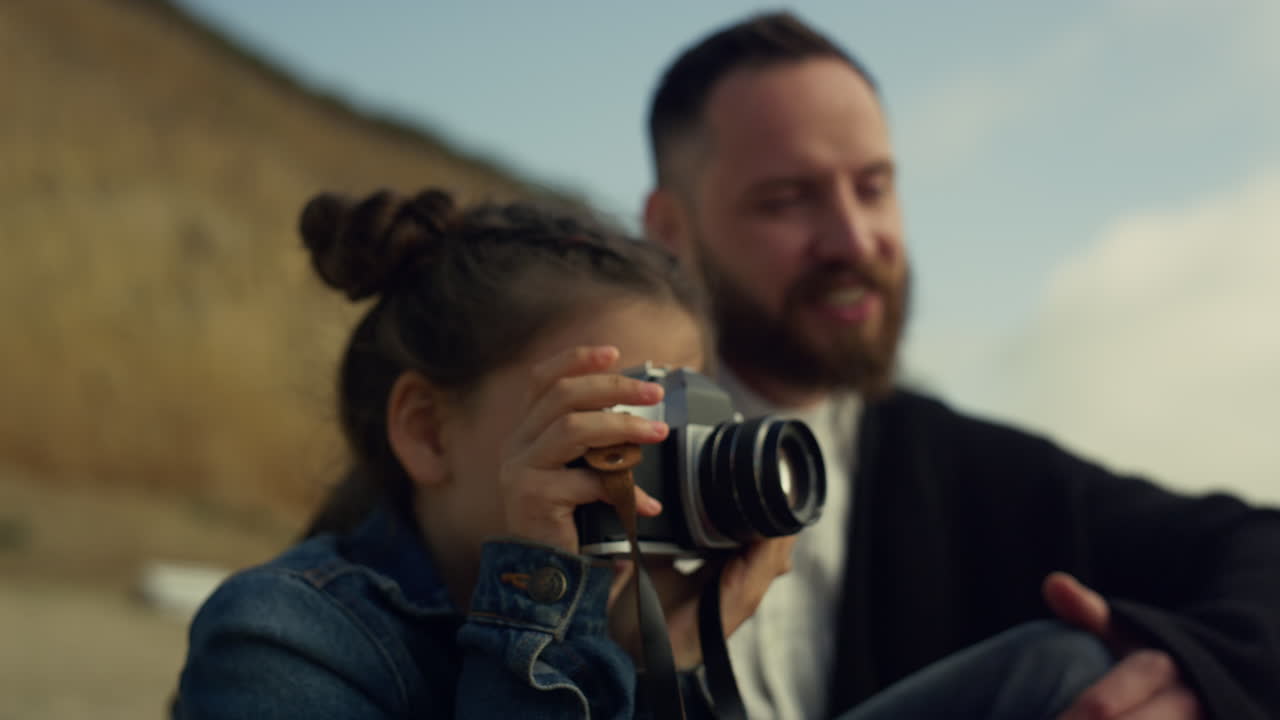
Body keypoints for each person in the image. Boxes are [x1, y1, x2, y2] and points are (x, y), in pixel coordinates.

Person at [173, 188, 1115, 720]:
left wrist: (679, 660)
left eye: (687, 412)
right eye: (619, 410)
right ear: (426, 429)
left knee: (1065, 671)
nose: (660, 448)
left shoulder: (639, 613)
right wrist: (545, 618)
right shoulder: (282, 638)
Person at [642, 11, 1280, 720]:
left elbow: (1260, 546)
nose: (854, 239)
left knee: (1067, 663)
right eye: (787, 200)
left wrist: (1201, 670)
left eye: (874, 187)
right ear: (671, 229)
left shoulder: (974, 471)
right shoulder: (583, 459)